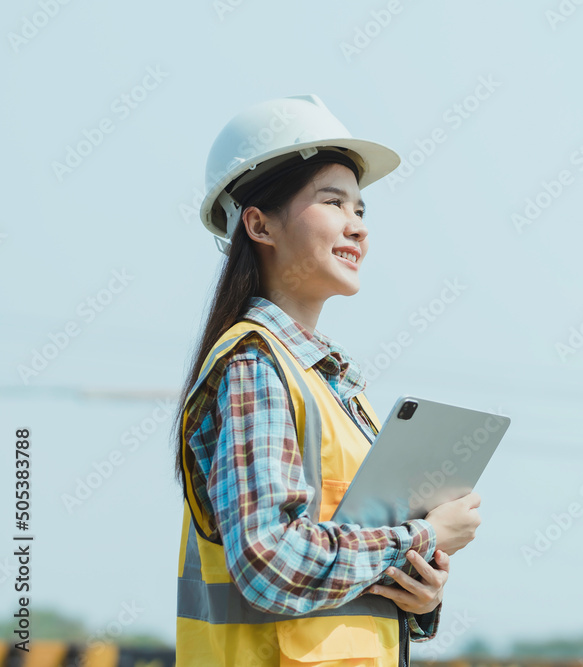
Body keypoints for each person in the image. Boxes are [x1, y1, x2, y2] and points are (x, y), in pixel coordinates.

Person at [170, 94, 482, 666]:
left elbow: (343, 567)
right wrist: (422, 537)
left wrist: (417, 591)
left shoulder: (336, 388)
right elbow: (269, 562)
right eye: (332, 202)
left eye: (361, 210)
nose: (356, 228)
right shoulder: (255, 366)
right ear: (259, 224)